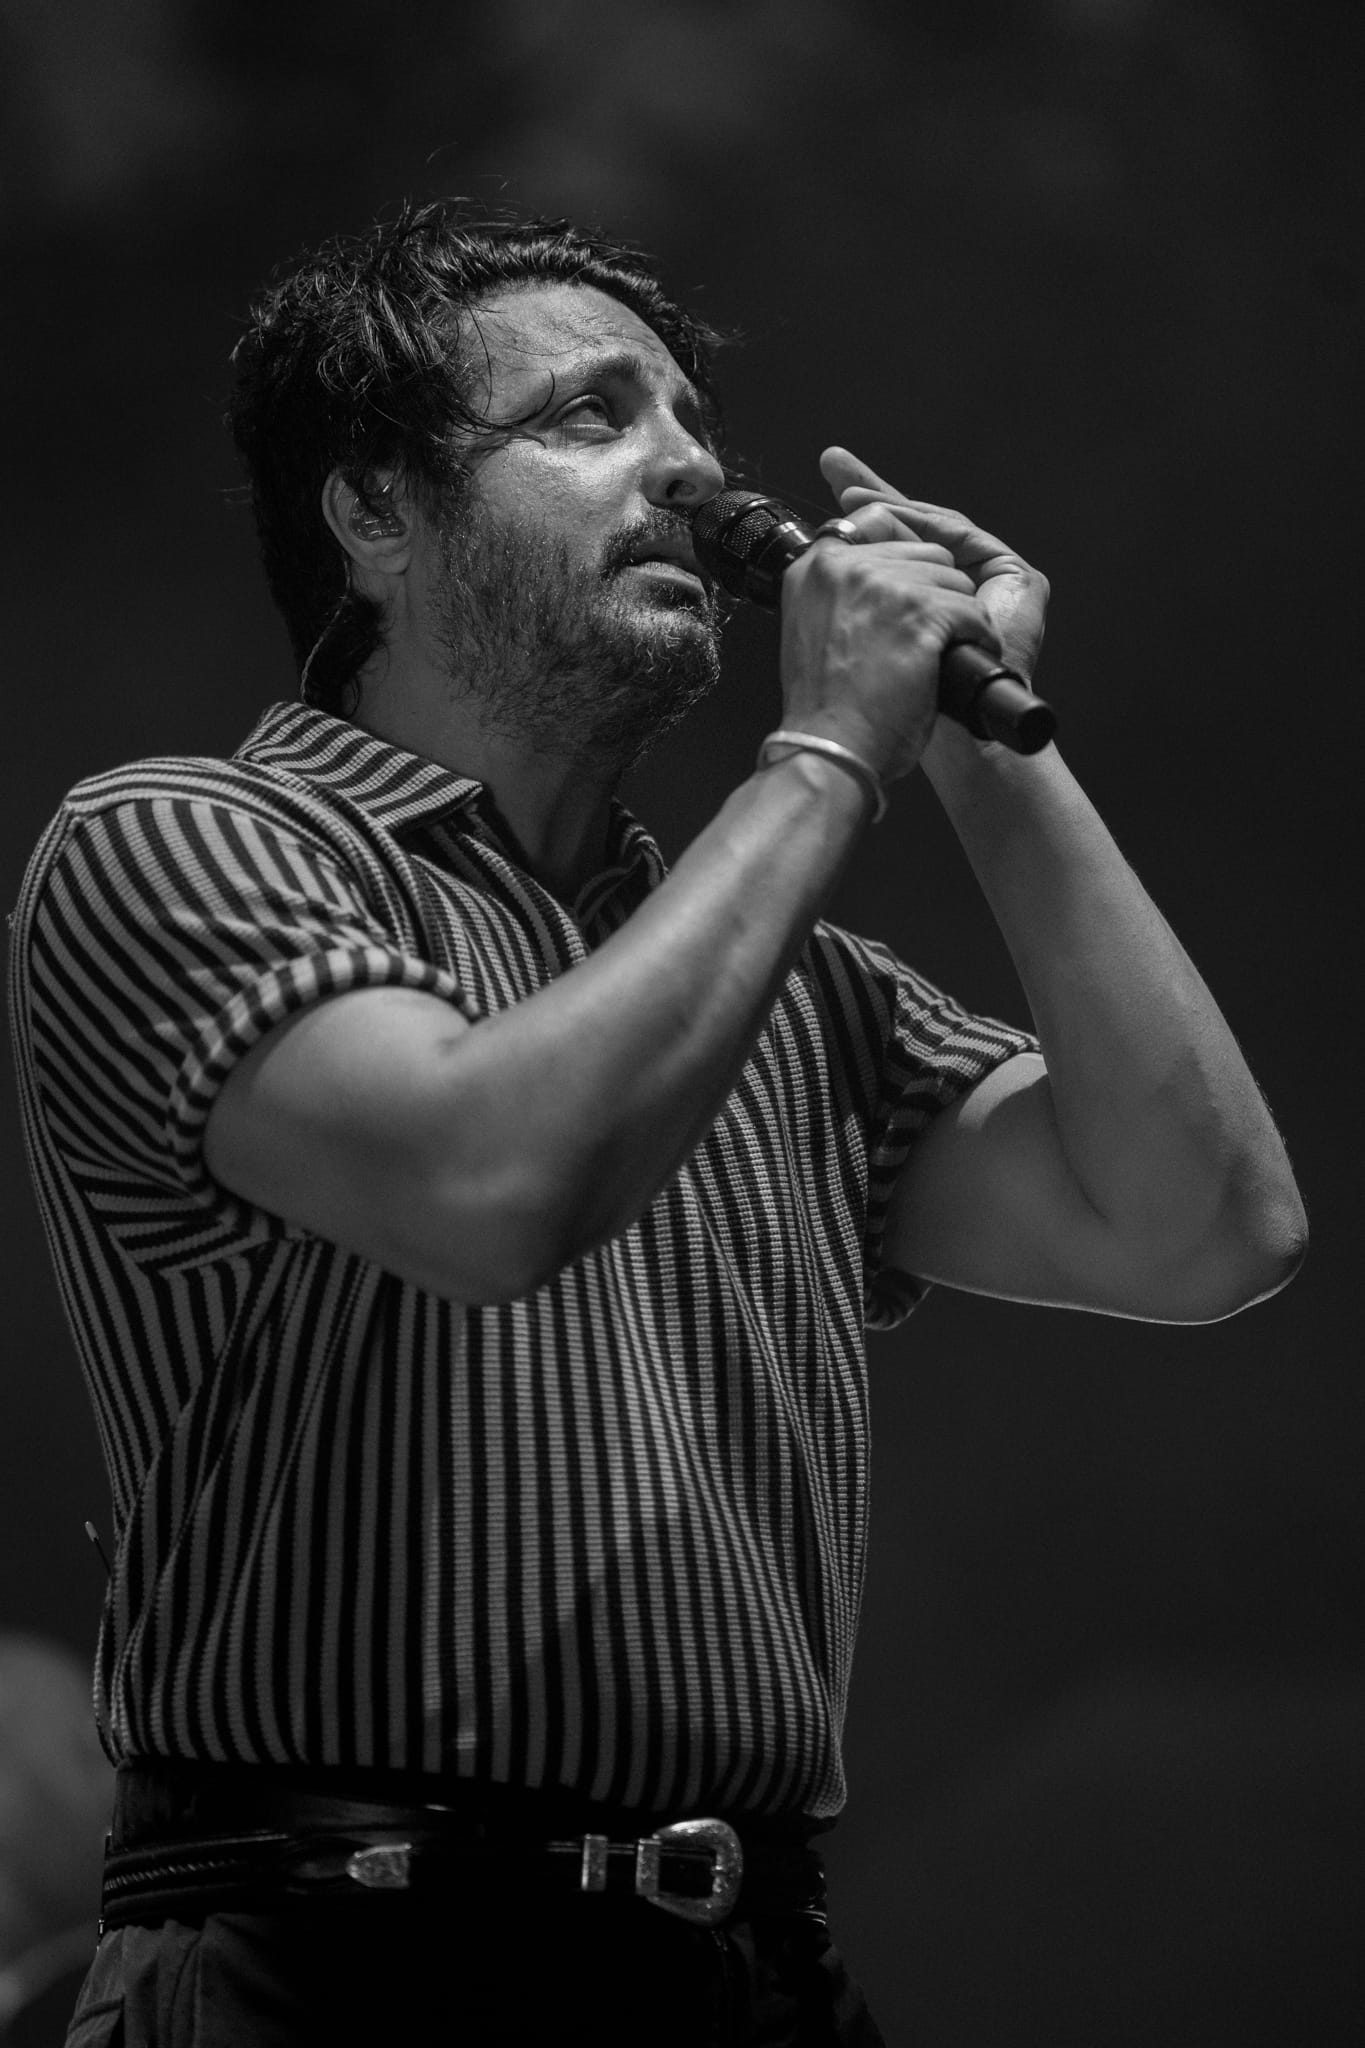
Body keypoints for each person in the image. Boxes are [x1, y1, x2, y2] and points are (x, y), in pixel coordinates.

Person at [7, 201, 1305, 2047]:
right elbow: (488, 1185)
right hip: (337, 1958)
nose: (692, 474)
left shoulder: (788, 983)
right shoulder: (178, 839)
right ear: (373, 510)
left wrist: (969, 744)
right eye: (589, 417)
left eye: (694, 424)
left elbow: (1204, 1230)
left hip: (742, 1967)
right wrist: (830, 748)